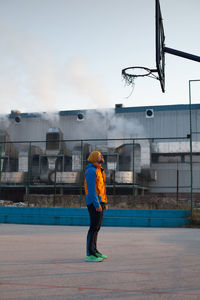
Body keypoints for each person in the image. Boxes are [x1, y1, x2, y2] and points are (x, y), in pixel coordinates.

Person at [84, 151, 108, 262]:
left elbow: (102, 188)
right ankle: (90, 253)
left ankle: (95, 250)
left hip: (100, 202)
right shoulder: (91, 171)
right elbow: (92, 190)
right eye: (99, 155)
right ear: (94, 157)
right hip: (94, 203)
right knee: (93, 228)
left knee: (97, 228)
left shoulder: (99, 170)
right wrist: (97, 204)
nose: (101, 156)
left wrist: (105, 202)